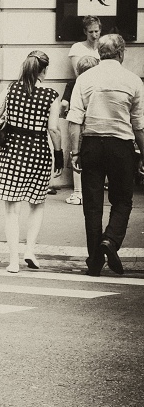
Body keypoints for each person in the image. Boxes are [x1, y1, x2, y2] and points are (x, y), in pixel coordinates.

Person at [67, 33, 144, 276]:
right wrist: (143, 154)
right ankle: (110, 240)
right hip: (121, 146)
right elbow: (139, 125)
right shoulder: (133, 80)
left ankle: (95, 261)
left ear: (99, 53)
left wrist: (75, 152)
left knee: (92, 205)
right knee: (122, 199)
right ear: (121, 53)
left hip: (91, 144)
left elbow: (74, 119)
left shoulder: (85, 78)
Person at [0, 51, 62, 273]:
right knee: (37, 204)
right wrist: (59, 155)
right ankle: (30, 250)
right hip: (38, 154)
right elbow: (53, 129)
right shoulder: (51, 95)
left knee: (12, 210)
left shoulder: (11, 88)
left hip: (12, 152)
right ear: (44, 71)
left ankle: (13, 261)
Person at [63, 16, 102, 205]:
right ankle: (79, 191)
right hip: (85, 105)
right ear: (85, 32)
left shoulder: (103, 46)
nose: (94, 35)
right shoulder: (78, 48)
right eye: (91, 31)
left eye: (97, 31)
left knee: (86, 151)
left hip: (95, 108)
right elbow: (80, 74)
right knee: (78, 149)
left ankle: (87, 190)